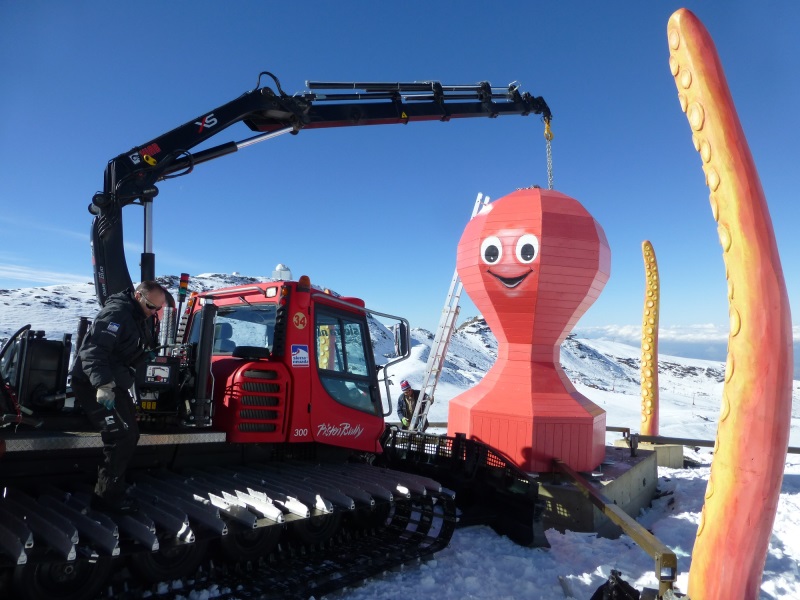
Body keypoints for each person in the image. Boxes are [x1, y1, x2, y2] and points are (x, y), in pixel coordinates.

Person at [71, 280, 166, 513]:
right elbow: (94, 352)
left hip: (115, 381)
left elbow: (124, 352)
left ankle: (111, 487)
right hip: (94, 382)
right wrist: (103, 385)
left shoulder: (137, 317)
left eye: (158, 309)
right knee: (121, 436)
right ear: (138, 296)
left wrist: (145, 356)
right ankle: (107, 499)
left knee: (130, 433)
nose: (153, 312)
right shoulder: (117, 314)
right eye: (151, 307)